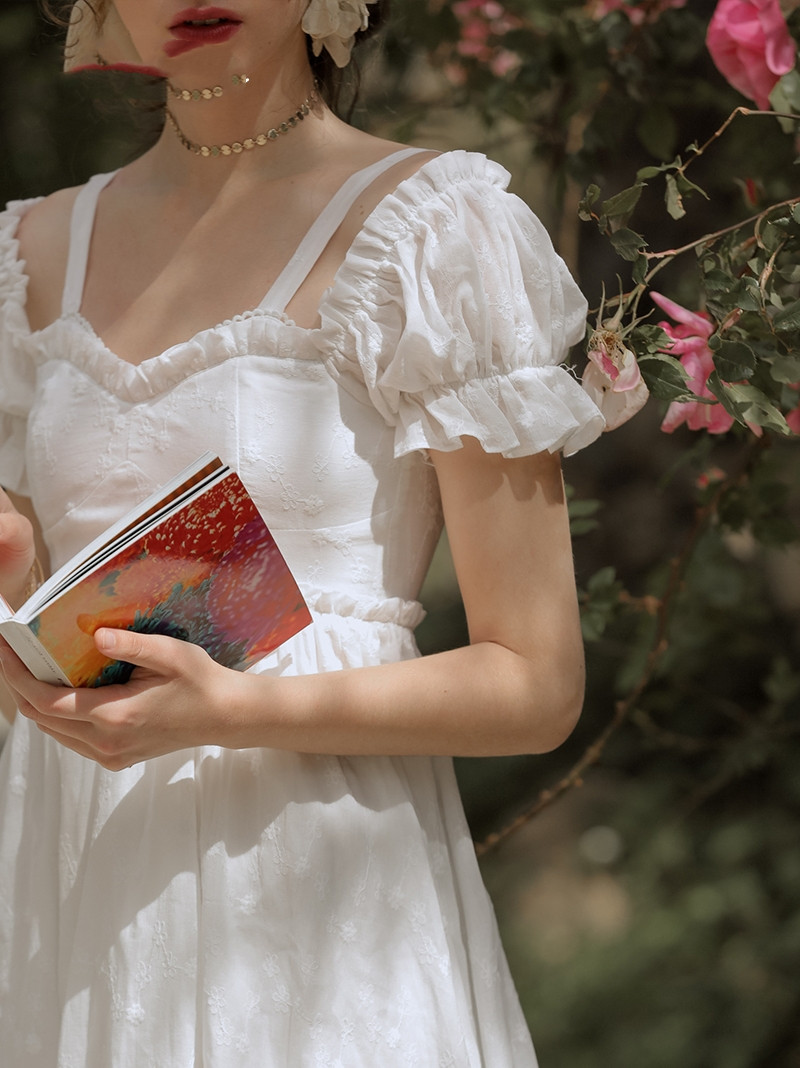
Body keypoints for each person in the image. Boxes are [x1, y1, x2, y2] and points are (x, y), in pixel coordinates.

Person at [0, 1, 605, 1063]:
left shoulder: (435, 231)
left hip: (318, 895)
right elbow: (49, 626)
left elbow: (536, 682)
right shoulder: (24, 252)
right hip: (71, 878)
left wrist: (238, 711)